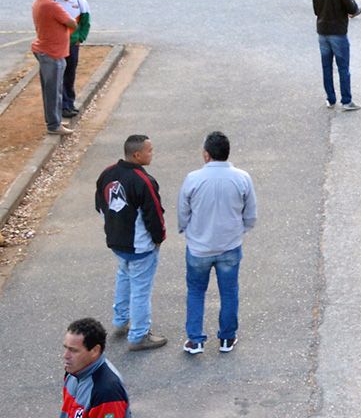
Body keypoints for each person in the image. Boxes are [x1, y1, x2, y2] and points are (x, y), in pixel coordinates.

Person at [179, 131, 258, 355]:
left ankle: (195, 340)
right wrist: (240, 230)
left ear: (206, 155)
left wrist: (188, 231)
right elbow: (250, 214)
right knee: (229, 291)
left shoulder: (193, 179)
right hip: (230, 245)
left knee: (195, 291)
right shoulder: (242, 177)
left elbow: (183, 213)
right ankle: (227, 338)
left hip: (198, 247)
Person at [95, 134, 167, 350]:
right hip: (140, 247)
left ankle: (120, 319)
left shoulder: (107, 174)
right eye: (149, 150)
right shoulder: (143, 180)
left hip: (116, 242)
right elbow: (154, 214)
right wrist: (158, 239)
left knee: (124, 276)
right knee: (140, 290)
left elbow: (100, 206)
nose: (152, 153)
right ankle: (138, 335)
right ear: (137, 155)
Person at [32, 0, 77, 136]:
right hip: (53, 52)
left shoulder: (39, 1)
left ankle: (54, 119)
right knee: (54, 90)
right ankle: (54, 124)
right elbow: (72, 23)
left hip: (46, 50)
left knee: (50, 89)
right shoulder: (51, 6)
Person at [312, 0, 361, 111]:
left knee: (326, 67)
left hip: (322, 32)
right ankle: (346, 100)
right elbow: (353, 9)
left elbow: (316, 11)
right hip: (338, 33)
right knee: (343, 68)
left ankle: (330, 99)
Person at [61, 318, 129, 418]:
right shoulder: (74, 371)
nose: (65, 355)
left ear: (95, 351)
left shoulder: (107, 392)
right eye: (66, 348)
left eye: (73, 350)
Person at [54, 0, 90, 119]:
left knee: (70, 75)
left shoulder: (81, 2)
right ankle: (63, 106)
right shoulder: (54, 1)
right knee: (60, 75)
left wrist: (80, 38)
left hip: (72, 45)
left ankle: (70, 103)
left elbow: (86, 23)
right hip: (58, 45)